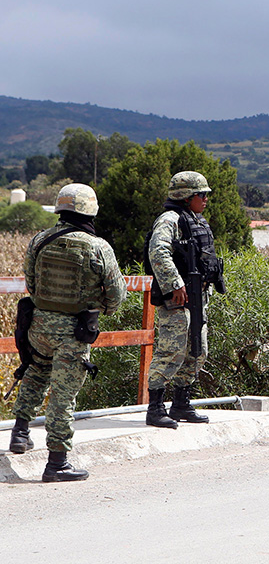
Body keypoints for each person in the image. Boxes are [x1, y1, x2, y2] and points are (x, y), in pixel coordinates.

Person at [8, 183, 126, 482]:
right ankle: (57, 463)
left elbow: (31, 283)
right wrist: (103, 309)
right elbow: (117, 294)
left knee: (34, 374)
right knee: (63, 395)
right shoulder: (98, 246)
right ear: (90, 209)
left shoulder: (40, 239)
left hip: (38, 326)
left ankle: (20, 434)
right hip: (73, 332)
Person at [145, 171, 224, 428]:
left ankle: (181, 403)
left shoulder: (194, 220)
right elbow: (158, 252)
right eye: (201, 194)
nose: (205, 199)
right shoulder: (170, 219)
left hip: (198, 296)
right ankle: (155, 408)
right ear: (186, 196)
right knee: (171, 351)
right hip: (177, 298)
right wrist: (175, 283)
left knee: (197, 351)